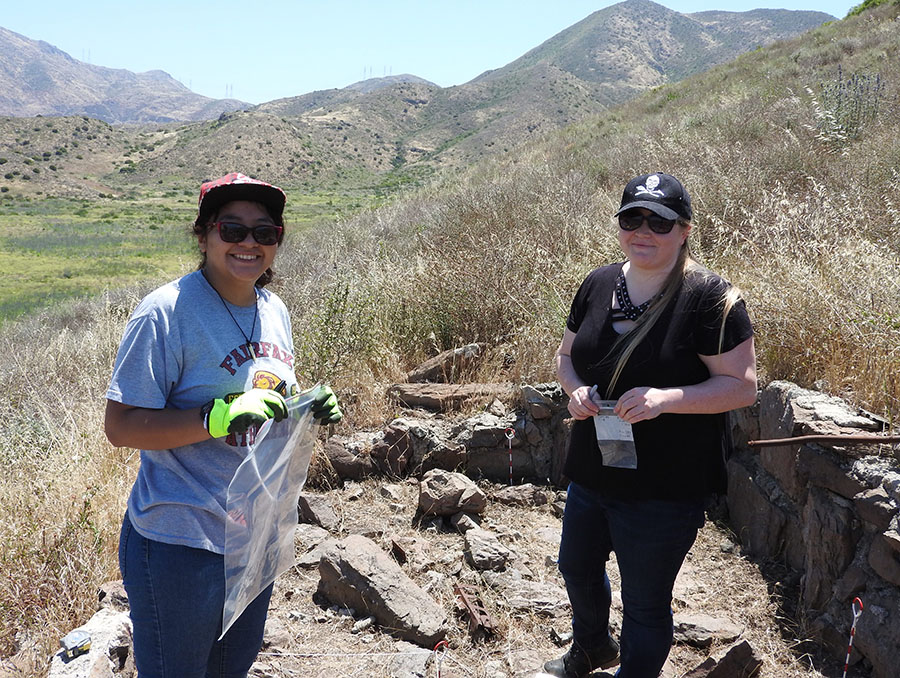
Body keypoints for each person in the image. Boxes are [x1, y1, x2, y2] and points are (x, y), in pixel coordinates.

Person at [104, 172, 342, 678]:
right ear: (204, 234)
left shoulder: (274, 310)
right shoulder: (166, 313)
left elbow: (267, 397)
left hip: (253, 533)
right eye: (232, 229)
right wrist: (212, 418)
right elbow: (121, 425)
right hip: (180, 538)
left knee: (231, 668)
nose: (248, 243)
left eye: (264, 232)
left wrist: (304, 407)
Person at [544, 172, 757, 678]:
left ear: (684, 230)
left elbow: (742, 386)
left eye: (659, 221)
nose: (644, 230)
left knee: (644, 604)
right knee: (576, 566)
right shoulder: (598, 283)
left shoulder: (712, 299)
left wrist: (667, 399)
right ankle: (592, 648)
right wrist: (574, 390)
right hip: (594, 468)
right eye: (631, 218)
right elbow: (565, 356)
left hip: (665, 484)